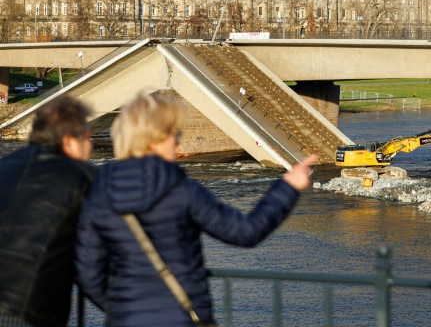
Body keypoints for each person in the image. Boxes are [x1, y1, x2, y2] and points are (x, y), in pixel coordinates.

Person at [75, 92, 316, 327]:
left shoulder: (96, 193)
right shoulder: (182, 189)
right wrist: (288, 187)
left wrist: (125, 309)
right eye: (174, 133)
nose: (179, 140)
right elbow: (245, 232)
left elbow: (87, 272)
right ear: (155, 139)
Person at [0, 96, 94, 327]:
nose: (91, 146)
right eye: (87, 137)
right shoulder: (83, 177)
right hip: (26, 313)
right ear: (69, 141)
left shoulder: (4, 167)